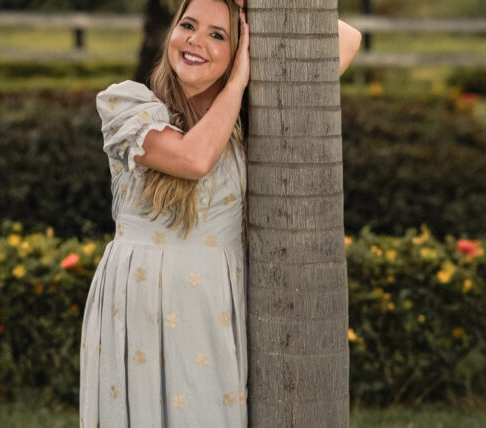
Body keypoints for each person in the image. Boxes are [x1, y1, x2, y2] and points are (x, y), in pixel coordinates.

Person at [79, 0, 361, 426]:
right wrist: (239, 80)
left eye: (217, 35)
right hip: (135, 301)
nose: (195, 41)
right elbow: (193, 159)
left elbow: (348, 38)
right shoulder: (129, 105)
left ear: (240, 49)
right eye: (188, 25)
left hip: (213, 305)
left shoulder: (251, 123)